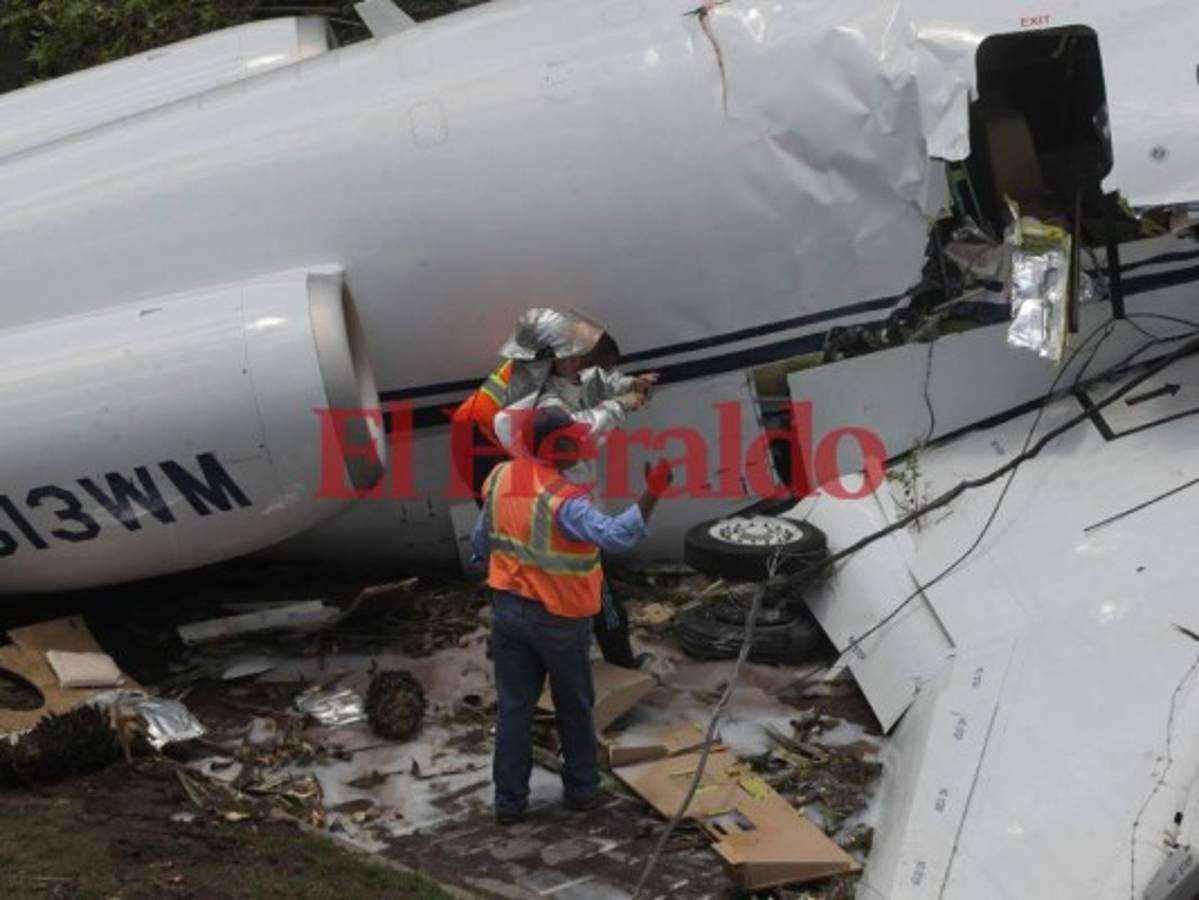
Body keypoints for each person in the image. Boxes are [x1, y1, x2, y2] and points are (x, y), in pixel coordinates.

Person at [473, 407, 672, 825]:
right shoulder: (564, 500)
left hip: (508, 610)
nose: (579, 445)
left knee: (514, 707)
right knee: (575, 706)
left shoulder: (501, 478)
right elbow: (616, 537)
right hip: (558, 619)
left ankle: (508, 802)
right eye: (571, 439)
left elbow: (481, 542)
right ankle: (582, 790)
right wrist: (652, 493)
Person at [450, 308, 575, 502]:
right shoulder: (525, 388)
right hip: (480, 438)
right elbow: (517, 440)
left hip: (475, 430)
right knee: (507, 507)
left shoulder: (528, 365)